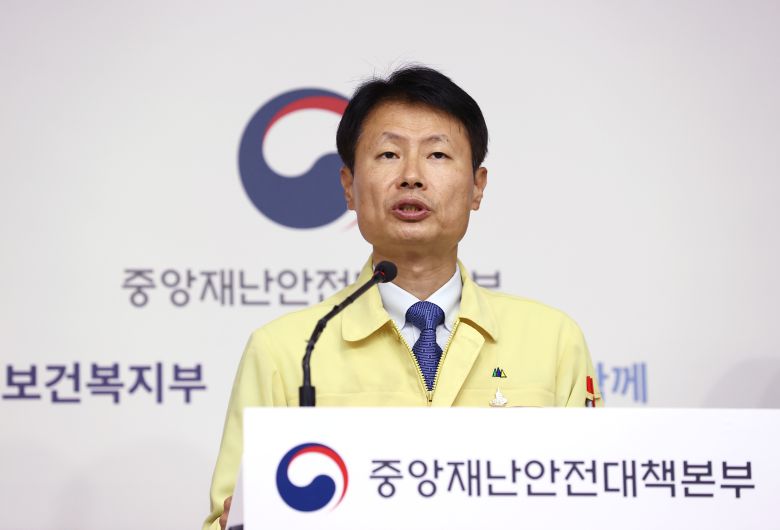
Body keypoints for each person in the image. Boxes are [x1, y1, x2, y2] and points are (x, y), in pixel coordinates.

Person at [204, 65, 602, 530]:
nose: (411, 176)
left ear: (477, 187)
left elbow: (596, 503)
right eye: (389, 154)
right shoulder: (288, 350)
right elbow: (227, 517)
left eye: (437, 154)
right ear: (349, 186)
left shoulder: (552, 340)